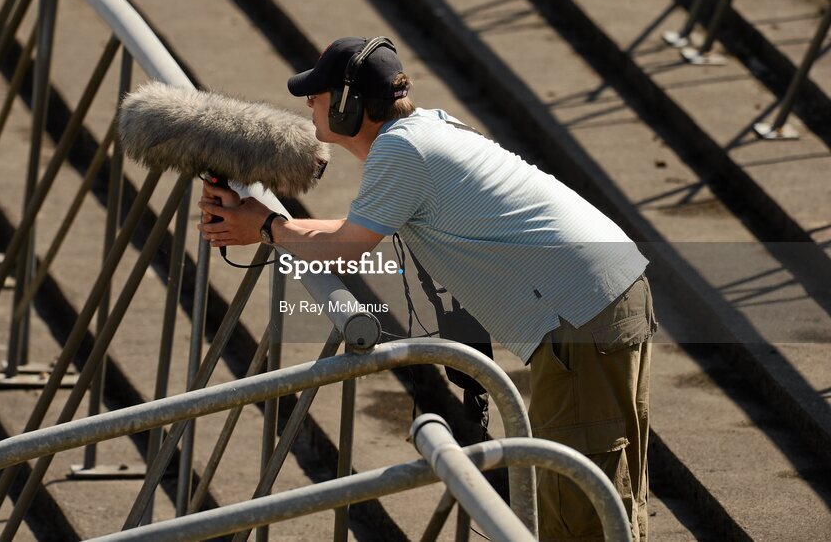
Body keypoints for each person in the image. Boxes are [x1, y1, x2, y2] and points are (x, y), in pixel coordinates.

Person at [197, 36, 656, 541]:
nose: (309, 104)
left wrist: (266, 228)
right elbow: (355, 231)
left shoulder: (402, 149)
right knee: (608, 491)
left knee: (578, 508)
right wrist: (266, 223)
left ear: (349, 103)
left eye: (319, 94)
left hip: (580, 312)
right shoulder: (426, 129)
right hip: (604, 294)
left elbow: (347, 246)